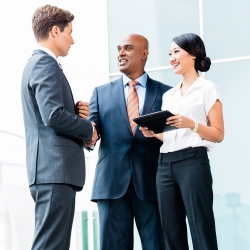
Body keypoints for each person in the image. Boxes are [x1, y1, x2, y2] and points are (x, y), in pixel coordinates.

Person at [77, 34, 171, 250]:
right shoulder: (100, 93)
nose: (120, 53)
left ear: (144, 53)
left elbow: (173, 136)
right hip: (111, 185)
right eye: (119, 49)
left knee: (158, 245)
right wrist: (84, 128)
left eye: (128, 48)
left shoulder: (166, 93)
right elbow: (91, 136)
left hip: (153, 185)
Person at [21, 5, 98, 250]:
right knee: (50, 245)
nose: (72, 40)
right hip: (54, 170)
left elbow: (49, 113)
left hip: (50, 171)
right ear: (55, 31)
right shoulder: (45, 64)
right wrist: (88, 129)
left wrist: (72, 113)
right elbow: (52, 116)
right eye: (69, 32)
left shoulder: (37, 64)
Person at [140, 33, 224, 250]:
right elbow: (172, 136)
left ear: (194, 54)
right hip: (165, 164)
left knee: (200, 226)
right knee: (171, 231)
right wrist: (154, 134)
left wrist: (192, 124)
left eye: (176, 51)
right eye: (170, 53)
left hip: (193, 163)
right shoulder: (169, 95)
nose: (172, 58)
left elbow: (218, 134)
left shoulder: (207, 89)